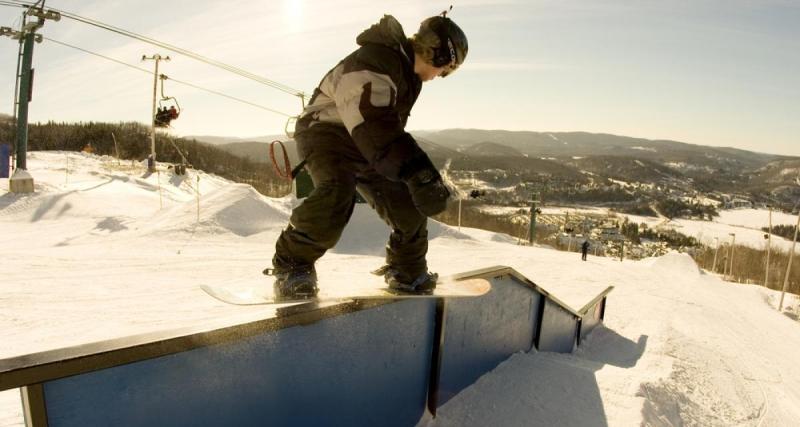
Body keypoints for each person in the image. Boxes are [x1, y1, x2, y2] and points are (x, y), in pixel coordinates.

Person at [266, 12, 468, 301]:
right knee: (337, 193)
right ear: (435, 54)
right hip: (328, 133)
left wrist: (413, 178)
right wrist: (418, 171)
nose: (442, 75)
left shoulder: (409, 75)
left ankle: (406, 269)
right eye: (447, 68)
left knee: (408, 204)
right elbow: (375, 125)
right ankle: (292, 265)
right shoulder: (375, 60)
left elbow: (380, 134)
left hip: (367, 142)